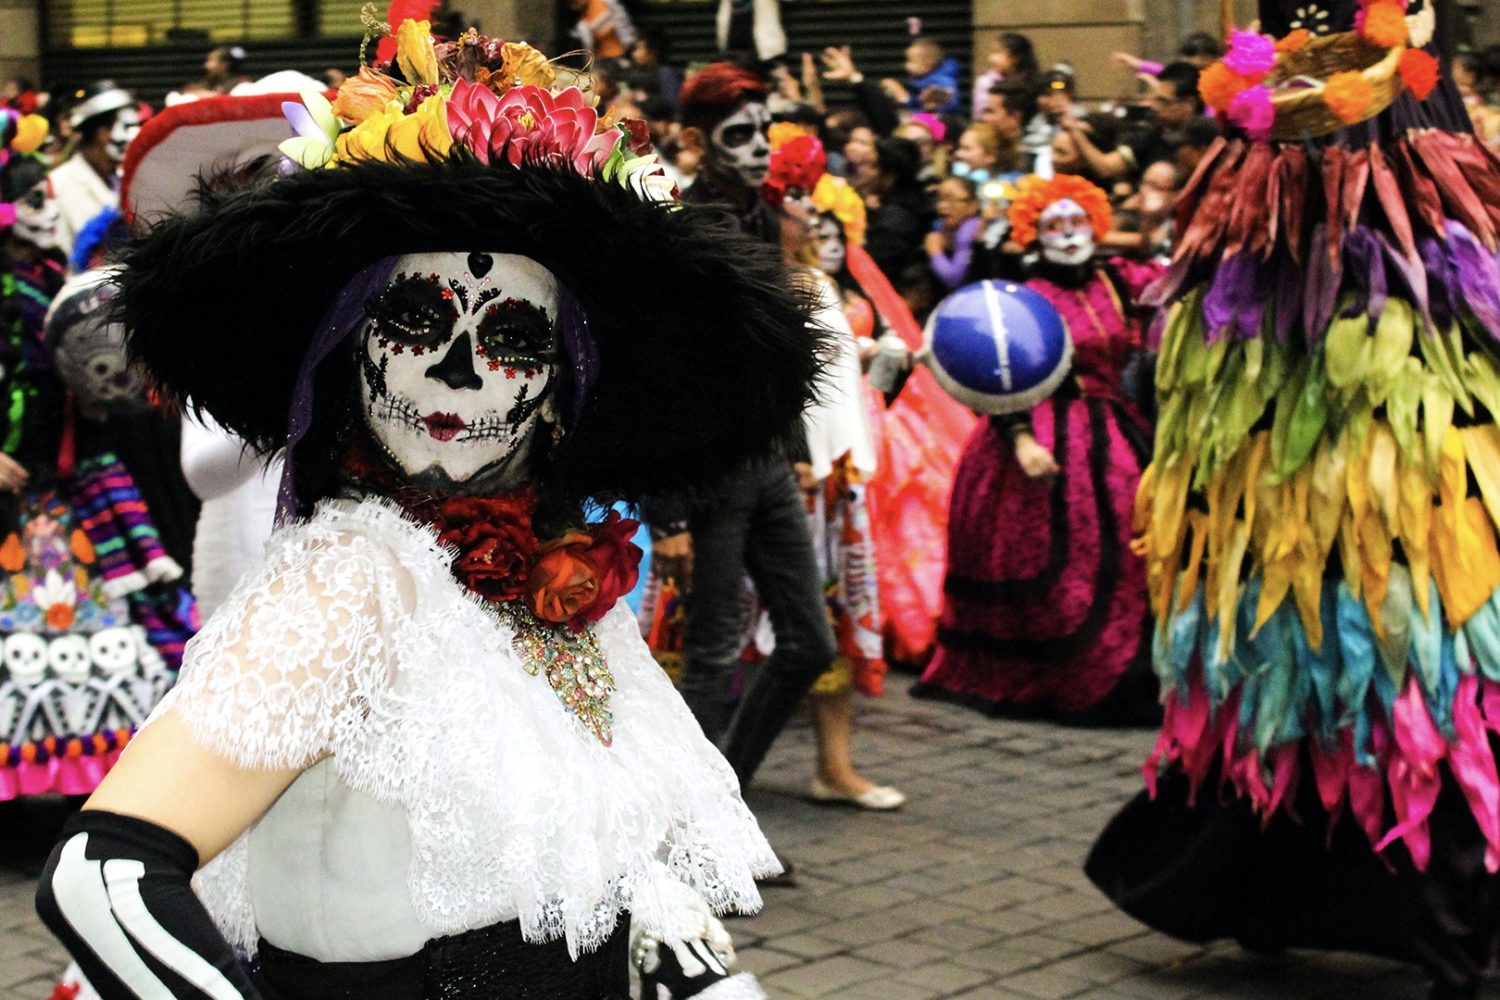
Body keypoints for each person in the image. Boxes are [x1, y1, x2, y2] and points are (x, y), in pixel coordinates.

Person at [33, 17, 822, 999]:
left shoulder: (545, 578)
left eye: (514, 336)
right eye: (417, 320)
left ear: (560, 388)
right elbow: (106, 877)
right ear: (348, 354)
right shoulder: (354, 579)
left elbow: (607, 857)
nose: (458, 368)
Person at [1085, 2, 1500, 996]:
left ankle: (1410, 929)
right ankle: (1364, 919)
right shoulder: (1267, 192)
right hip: (1283, 483)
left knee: (1401, 686)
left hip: (1405, 484)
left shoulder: (1404, 197)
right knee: (1314, 681)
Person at [648, 63, 837, 803]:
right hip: (710, 477)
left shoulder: (764, 219)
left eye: (766, 131)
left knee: (808, 644)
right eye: (739, 135)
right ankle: (694, 833)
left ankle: (726, 799)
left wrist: (795, 451)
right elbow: (666, 370)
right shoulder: (687, 227)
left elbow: (777, 350)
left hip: (766, 463)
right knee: (711, 655)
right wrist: (665, 517)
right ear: (695, 142)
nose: (760, 149)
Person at [915, 174, 1159, 723]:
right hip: (1042, 426)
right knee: (1054, 551)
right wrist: (1021, 438)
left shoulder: (1118, 281)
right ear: (1034, 232)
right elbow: (1000, 370)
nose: (1069, 235)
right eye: (1055, 225)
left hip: (1119, 429)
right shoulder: (1025, 297)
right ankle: (1071, 676)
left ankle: (1135, 671)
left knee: (1131, 543)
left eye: (1079, 223)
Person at [0, 113, 193, 804]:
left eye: (41, 197)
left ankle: (123, 779)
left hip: (73, 489)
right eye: (24, 200)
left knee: (118, 630)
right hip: (17, 500)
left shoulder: (49, 278)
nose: (37, 212)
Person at [48, 82, 140, 257]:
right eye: (127, 127)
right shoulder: (58, 184)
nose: (134, 137)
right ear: (101, 133)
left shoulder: (125, 181)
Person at [863, 136, 931, 280]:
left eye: (873, 166)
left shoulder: (892, 224)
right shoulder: (917, 199)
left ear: (890, 175)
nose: (865, 172)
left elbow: (873, 273)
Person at [926, 175, 981, 291]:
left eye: (951, 200)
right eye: (940, 199)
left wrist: (935, 252)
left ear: (972, 205)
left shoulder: (971, 230)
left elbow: (955, 279)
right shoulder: (943, 227)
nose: (942, 206)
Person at [883, 37, 960, 116]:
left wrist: (902, 96)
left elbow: (947, 107)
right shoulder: (919, 82)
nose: (906, 66)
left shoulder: (942, 82)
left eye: (912, 61)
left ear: (929, 62)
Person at [973, 31, 1039, 119]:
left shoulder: (1033, 84)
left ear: (1016, 57)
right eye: (992, 52)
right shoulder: (986, 82)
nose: (991, 59)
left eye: (998, 52)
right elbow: (980, 116)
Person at [570, 0, 638, 62]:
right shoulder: (581, 25)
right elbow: (587, 49)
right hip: (602, 63)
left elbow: (627, 25)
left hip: (625, 56)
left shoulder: (608, 3)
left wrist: (637, 46)